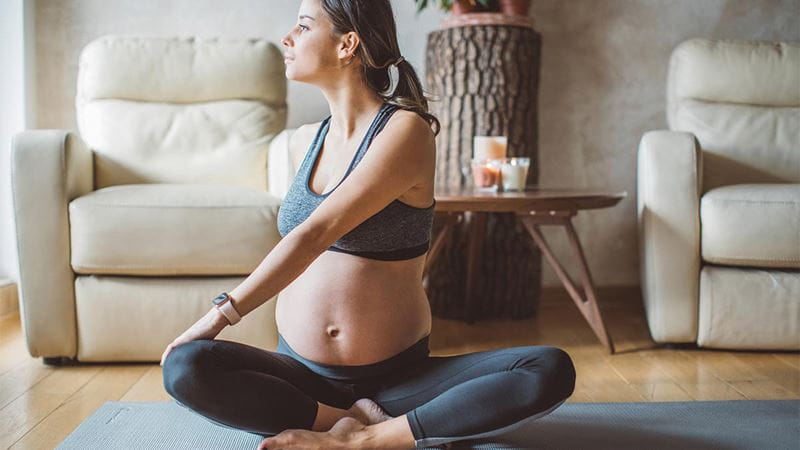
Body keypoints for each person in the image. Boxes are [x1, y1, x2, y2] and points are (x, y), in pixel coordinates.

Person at [160, 0, 576, 448]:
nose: (287, 38)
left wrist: (217, 316)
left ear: (348, 44)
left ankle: (362, 441)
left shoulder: (404, 131)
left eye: (302, 26)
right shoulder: (304, 142)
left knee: (547, 368)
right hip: (303, 377)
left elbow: (315, 234)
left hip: (398, 379)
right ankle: (345, 421)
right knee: (186, 366)